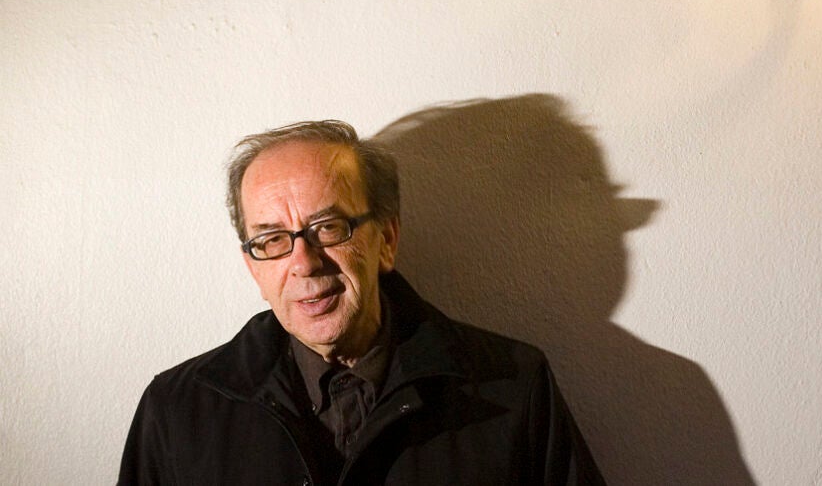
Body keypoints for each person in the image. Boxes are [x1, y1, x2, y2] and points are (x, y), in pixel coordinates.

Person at [118, 120, 604, 485]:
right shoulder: (177, 411)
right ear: (253, 266)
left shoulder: (514, 385)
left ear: (386, 240)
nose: (304, 263)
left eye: (328, 228)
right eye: (272, 240)